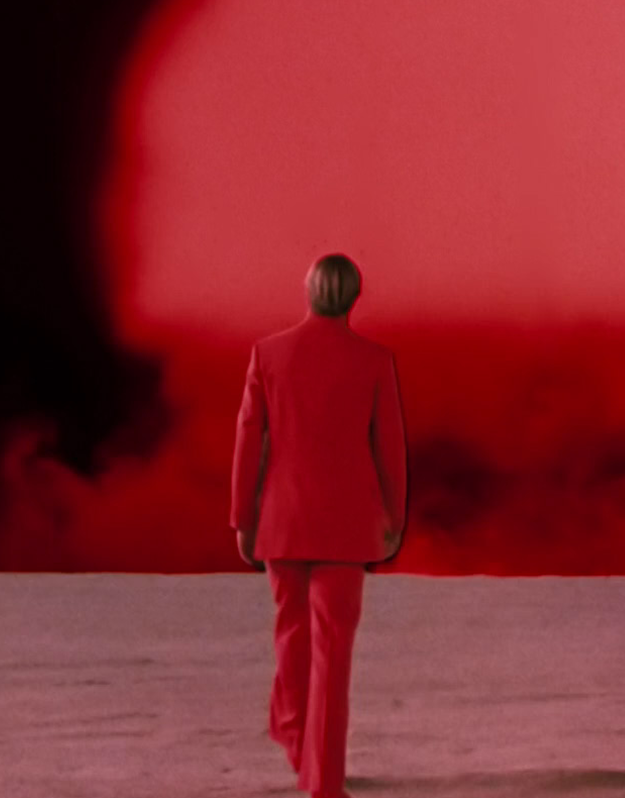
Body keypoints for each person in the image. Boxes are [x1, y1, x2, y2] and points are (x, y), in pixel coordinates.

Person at [229, 253, 407, 798]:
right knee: (333, 654)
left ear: (308, 291)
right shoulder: (374, 360)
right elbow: (389, 448)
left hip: (283, 521)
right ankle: (323, 778)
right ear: (355, 296)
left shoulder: (268, 354)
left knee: (291, 636)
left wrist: (242, 517)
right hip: (346, 526)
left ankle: (294, 736)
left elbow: (248, 440)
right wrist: (394, 518)